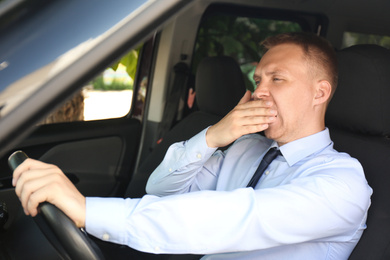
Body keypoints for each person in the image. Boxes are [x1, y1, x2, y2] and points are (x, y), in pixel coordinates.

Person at [12, 32, 372, 259]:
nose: (260, 91)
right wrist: (213, 135)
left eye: (277, 79)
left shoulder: (342, 183)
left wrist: (87, 209)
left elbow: (234, 218)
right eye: (258, 79)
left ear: (319, 92)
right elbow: (162, 190)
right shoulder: (246, 148)